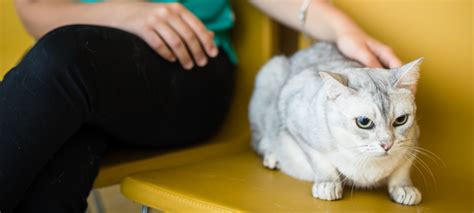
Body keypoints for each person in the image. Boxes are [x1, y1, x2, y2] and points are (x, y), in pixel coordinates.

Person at [0, 0, 402, 212]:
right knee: (65, 149)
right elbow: (34, 9)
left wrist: (344, 32)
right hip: (78, 78)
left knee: (63, 60)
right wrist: (124, 12)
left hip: (188, 70)